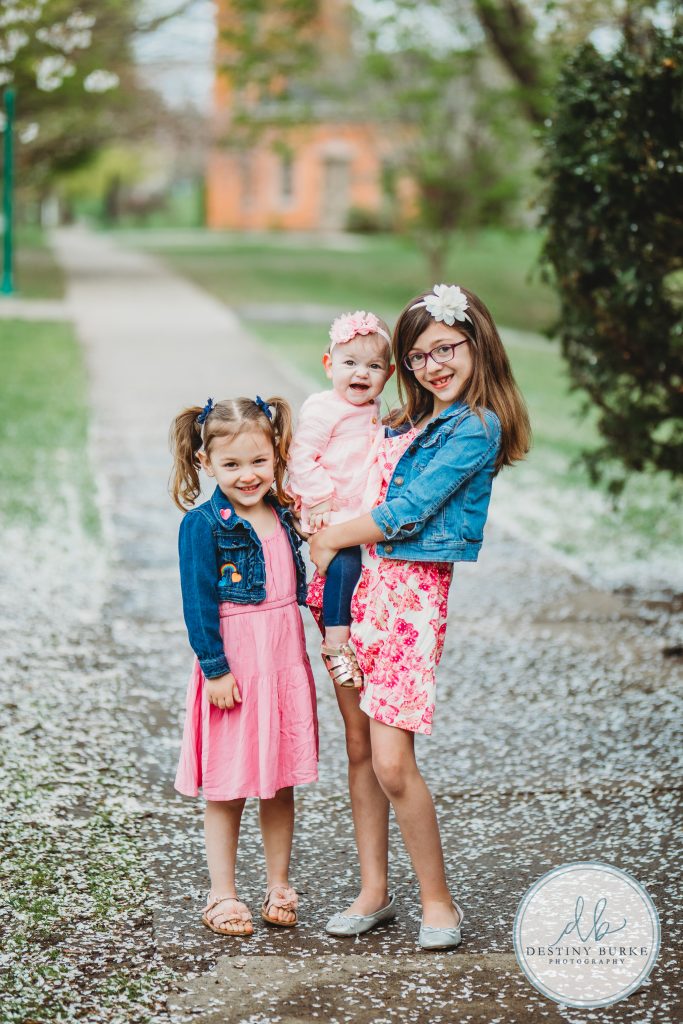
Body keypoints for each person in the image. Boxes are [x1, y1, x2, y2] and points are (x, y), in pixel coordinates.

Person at [309, 284, 531, 950]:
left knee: (392, 762)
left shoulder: (476, 427)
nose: (432, 366)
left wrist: (330, 536)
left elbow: (408, 510)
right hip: (349, 592)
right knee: (358, 750)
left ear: (476, 343)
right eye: (417, 357)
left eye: (445, 349)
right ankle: (373, 892)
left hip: (407, 604)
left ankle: (439, 902)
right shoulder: (399, 420)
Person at [171, 395, 318, 938]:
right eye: (231, 464)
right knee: (228, 784)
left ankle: (279, 883)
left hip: (281, 662)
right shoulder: (204, 525)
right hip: (234, 668)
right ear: (206, 462)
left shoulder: (284, 513)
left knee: (279, 782)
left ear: (276, 454)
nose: (248, 474)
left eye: (259, 460)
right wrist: (214, 669)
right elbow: (198, 603)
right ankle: (222, 893)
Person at [287, 310, 394, 689]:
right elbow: (301, 455)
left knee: (362, 570)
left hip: (355, 506)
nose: (361, 373)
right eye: (350, 363)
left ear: (388, 374)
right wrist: (317, 497)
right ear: (329, 365)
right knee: (345, 564)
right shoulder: (324, 408)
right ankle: (335, 642)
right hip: (329, 505)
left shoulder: (371, 408)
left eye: (373, 366)